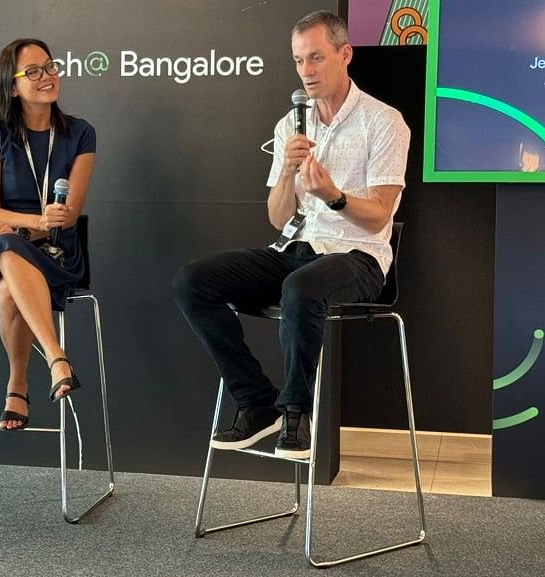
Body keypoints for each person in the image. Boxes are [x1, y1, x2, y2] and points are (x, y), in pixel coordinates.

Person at [173, 11, 409, 459]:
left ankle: (297, 413)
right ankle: (258, 402)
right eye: (299, 61)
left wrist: (334, 195)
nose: (307, 70)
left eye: (316, 58)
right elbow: (278, 218)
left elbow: (379, 217)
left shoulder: (384, 122)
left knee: (300, 288)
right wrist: (285, 169)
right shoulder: (290, 125)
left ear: (345, 54)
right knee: (192, 281)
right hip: (296, 247)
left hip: (358, 255)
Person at [0, 38, 95, 431]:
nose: (46, 76)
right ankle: (56, 357)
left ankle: (17, 385)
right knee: (7, 247)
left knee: (10, 285)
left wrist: (52, 219)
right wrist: (34, 221)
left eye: (49, 67)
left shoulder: (80, 133)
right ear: (12, 86)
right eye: (33, 71)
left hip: (56, 251)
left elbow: (72, 211)